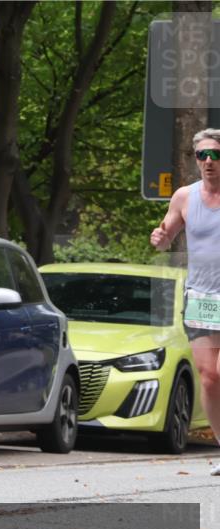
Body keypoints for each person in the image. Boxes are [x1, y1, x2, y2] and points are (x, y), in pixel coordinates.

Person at [150, 128, 220, 476]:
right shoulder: (184, 197)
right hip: (201, 297)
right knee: (208, 377)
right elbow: (165, 238)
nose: (209, 162)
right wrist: (160, 237)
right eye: (203, 156)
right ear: (196, 160)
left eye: (216, 155)